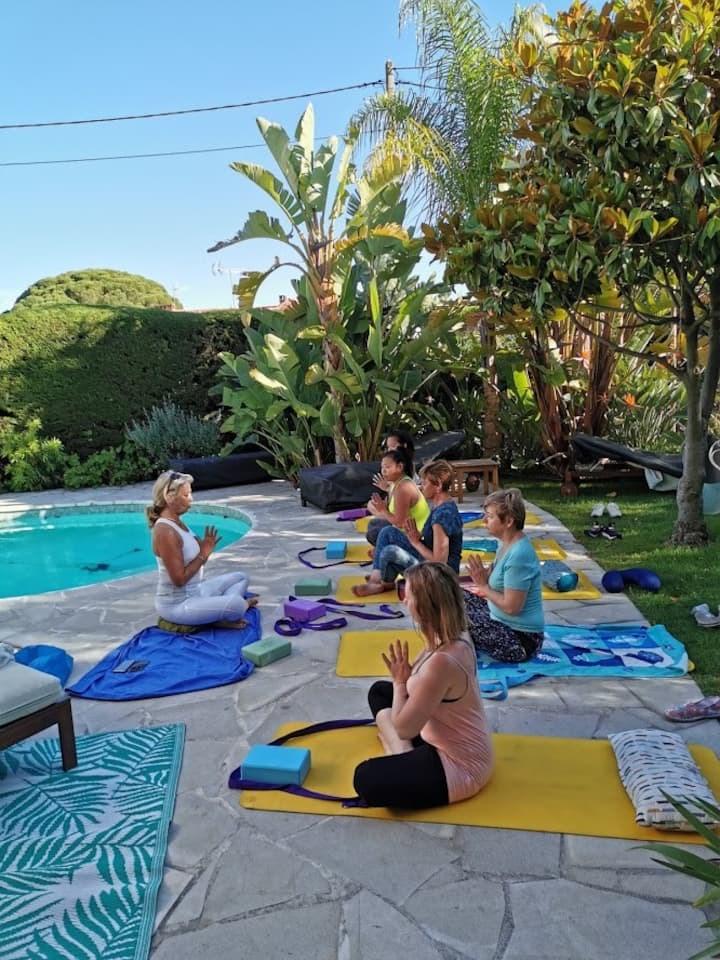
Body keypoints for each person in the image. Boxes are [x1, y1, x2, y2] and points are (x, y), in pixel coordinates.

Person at [353, 562, 494, 808]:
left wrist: (399, 683)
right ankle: (403, 751)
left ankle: (400, 751)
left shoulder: (443, 661)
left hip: (460, 766)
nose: (404, 602)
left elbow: (404, 729)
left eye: (407, 596)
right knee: (378, 692)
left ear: (425, 606)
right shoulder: (450, 634)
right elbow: (418, 690)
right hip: (438, 732)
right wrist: (403, 683)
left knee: (365, 778)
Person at [147, 470, 256, 628]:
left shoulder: (177, 521)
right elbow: (179, 580)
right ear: (169, 497)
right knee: (237, 606)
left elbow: (197, 553)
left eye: (190, 494)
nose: (191, 500)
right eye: (186, 496)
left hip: (198, 591)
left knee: (241, 577)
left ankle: (216, 611)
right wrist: (203, 554)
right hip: (177, 604)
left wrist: (205, 547)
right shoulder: (166, 531)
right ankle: (230, 609)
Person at [352, 459, 462, 596]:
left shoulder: (443, 516)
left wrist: (415, 542)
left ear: (438, 485)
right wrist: (415, 534)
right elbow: (432, 537)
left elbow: (440, 562)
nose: (421, 486)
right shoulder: (440, 505)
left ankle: (384, 583)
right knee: (388, 532)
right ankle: (377, 580)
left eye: (425, 483)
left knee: (390, 552)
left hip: (441, 577)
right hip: (429, 561)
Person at [463, 488, 544, 662]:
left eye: (490, 517)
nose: (484, 520)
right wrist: (485, 578)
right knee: (450, 594)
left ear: (508, 521)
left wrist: (483, 586)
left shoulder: (519, 555)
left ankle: (458, 645)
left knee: (457, 617)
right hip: (498, 619)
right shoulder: (505, 544)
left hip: (521, 640)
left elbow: (511, 608)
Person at [365, 448, 430, 546]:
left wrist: (383, 510)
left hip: (418, 538)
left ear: (399, 467)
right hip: (409, 530)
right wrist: (385, 488)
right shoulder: (398, 483)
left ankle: (392, 554)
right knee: (373, 524)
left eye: (387, 467)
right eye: (382, 467)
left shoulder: (403, 488)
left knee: (373, 533)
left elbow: (400, 523)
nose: (383, 471)